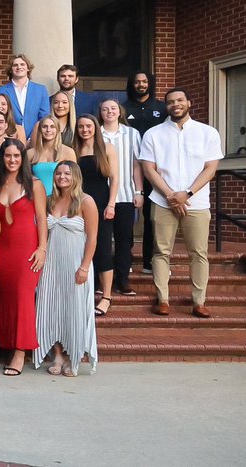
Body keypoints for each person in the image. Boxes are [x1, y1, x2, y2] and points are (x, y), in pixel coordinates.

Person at [140, 88, 222, 318]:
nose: (175, 104)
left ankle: (199, 301)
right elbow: (149, 168)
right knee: (161, 252)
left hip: (196, 202)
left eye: (179, 100)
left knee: (199, 253)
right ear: (165, 106)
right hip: (162, 200)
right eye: (170, 102)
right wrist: (170, 195)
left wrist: (187, 193)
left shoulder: (207, 132)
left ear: (189, 102)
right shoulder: (153, 134)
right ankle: (162, 299)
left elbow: (211, 168)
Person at [34, 161, 99, 376]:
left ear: (76, 177)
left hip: (75, 263)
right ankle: (58, 354)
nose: (62, 177)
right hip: (52, 263)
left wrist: (84, 267)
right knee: (52, 308)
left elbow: (92, 238)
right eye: (59, 173)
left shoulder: (86, 202)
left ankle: (75, 355)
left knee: (75, 309)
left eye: (67, 174)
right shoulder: (50, 201)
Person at [0, 138, 49, 376]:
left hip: (27, 249)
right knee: (5, 298)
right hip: (1, 250)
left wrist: (42, 248)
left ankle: (20, 351)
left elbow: (42, 219)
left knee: (23, 298)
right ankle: (7, 344)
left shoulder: (34, 184)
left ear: (22, 158)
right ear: (1, 158)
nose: (12, 160)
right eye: (8, 156)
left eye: (16, 156)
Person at [74, 114, 119, 318]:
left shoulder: (107, 148)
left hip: (101, 204)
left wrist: (111, 204)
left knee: (102, 248)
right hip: (79, 205)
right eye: (81, 126)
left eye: (88, 126)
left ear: (95, 127)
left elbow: (115, 178)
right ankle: (87, 292)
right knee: (82, 247)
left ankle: (107, 297)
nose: (85, 130)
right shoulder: (74, 150)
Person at [99, 99, 144, 296]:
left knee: (125, 240)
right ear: (100, 113)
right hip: (101, 196)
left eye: (113, 109)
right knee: (102, 241)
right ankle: (102, 280)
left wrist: (139, 191)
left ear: (120, 112)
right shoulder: (95, 134)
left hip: (125, 194)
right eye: (105, 109)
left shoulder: (132, 134)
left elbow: (137, 165)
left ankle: (122, 279)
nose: (109, 112)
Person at [124, 70, 167, 274]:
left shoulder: (161, 108)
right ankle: (126, 258)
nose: (140, 84)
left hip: (154, 170)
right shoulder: (123, 108)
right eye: (136, 81)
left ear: (149, 84)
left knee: (152, 216)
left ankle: (150, 261)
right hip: (127, 168)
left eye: (144, 81)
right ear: (131, 85)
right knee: (125, 216)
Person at [0, 53, 51, 138]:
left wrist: (34, 138)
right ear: (10, 69)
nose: (19, 67)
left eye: (22, 64)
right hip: (9, 138)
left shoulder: (40, 90)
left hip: (35, 139)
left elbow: (44, 116)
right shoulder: (0, 91)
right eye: (15, 65)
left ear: (28, 68)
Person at [29, 116, 77, 196]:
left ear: (58, 130)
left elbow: (75, 180)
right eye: (45, 127)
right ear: (40, 129)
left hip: (59, 200)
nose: (48, 130)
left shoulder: (68, 152)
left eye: (52, 127)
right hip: (35, 199)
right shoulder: (30, 153)